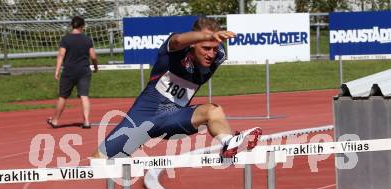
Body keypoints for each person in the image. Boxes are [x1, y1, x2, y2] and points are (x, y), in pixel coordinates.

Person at [94, 16, 261, 159]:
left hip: (175, 117)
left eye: (214, 48)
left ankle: (228, 142)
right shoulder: (175, 49)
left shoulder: (219, 56)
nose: (211, 54)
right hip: (143, 116)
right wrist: (209, 35)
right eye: (205, 48)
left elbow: (212, 51)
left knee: (214, 110)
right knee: (99, 161)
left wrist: (211, 40)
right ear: (193, 44)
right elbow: (178, 40)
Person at [47, 16, 98, 129]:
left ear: (72, 25)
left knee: (63, 96)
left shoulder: (66, 39)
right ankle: (86, 121)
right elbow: (93, 56)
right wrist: (95, 67)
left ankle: (55, 120)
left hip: (69, 71)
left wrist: (57, 71)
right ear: (82, 26)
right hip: (84, 71)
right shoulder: (87, 39)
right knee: (84, 95)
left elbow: (61, 55)